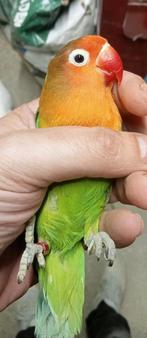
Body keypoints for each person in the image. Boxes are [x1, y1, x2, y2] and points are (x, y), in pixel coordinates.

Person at [0, 70, 147, 314]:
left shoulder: (110, 109)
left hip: (86, 228)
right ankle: (104, 312)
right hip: (40, 235)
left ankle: (102, 314)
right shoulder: (45, 115)